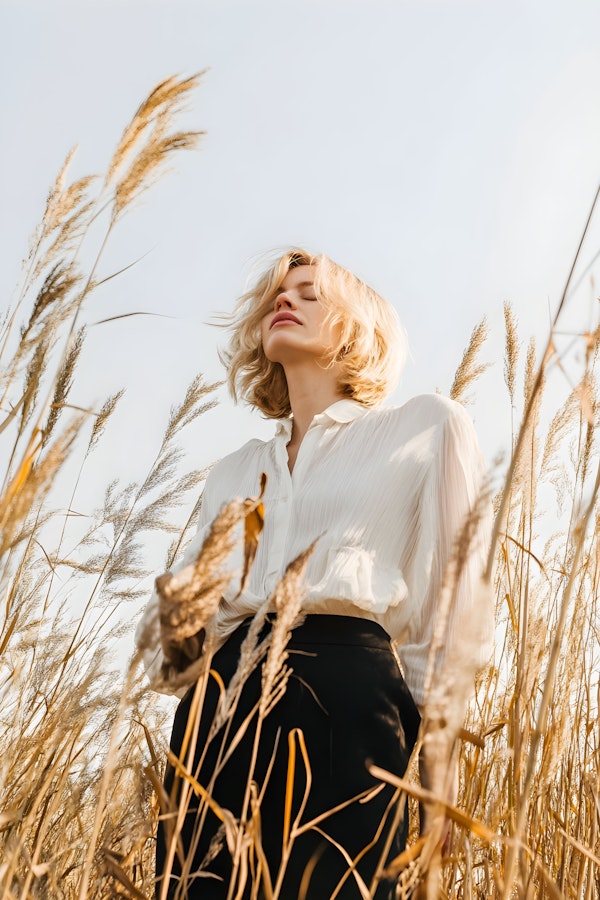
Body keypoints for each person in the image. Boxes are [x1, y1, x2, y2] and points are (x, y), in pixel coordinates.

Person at [136, 249, 493, 899]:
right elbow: (181, 661)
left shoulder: (427, 427)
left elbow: (454, 605)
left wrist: (438, 770)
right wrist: (176, 617)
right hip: (221, 702)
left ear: (358, 327)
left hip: (349, 693)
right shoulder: (232, 470)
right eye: (278, 294)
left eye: (309, 292)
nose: (285, 301)